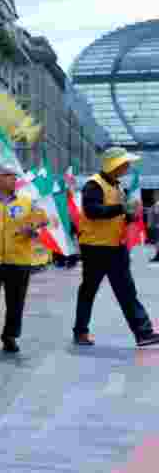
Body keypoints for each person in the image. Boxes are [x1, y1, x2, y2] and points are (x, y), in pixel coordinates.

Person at [73, 147, 159, 347]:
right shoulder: (94, 185)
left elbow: (118, 216)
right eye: (125, 163)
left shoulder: (117, 187)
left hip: (115, 247)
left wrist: (131, 215)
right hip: (95, 248)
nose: (128, 166)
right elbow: (92, 211)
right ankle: (81, 332)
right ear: (115, 165)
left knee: (126, 290)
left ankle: (143, 332)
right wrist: (123, 208)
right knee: (89, 291)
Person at [0, 162, 47, 358]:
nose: (13, 179)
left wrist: (32, 229)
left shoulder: (26, 201)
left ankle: (10, 336)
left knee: (16, 303)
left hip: (19, 260)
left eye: (15, 176)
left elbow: (43, 219)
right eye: (8, 175)